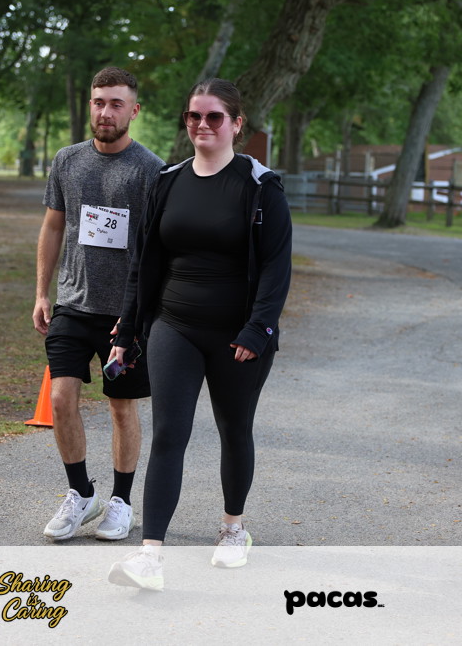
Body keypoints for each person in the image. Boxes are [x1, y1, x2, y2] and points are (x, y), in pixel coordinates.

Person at [107, 78, 292, 590]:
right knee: (169, 434)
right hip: (175, 326)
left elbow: (277, 268)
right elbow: (144, 262)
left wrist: (258, 330)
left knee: (235, 429)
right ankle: (150, 555)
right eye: (194, 116)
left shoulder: (260, 185)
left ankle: (233, 529)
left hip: (239, 337)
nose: (202, 124)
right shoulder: (167, 181)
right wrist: (127, 327)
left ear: (236, 123)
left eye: (214, 116)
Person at [33, 67, 164, 542]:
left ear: (134, 110)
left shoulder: (151, 170)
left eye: (116, 104)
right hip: (73, 302)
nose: (105, 112)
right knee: (60, 398)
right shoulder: (67, 161)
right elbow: (54, 225)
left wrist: (144, 314)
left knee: (122, 409)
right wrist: (42, 291)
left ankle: (121, 501)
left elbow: (158, 249)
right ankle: (81, 492)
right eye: (98, 102)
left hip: (125, 316)